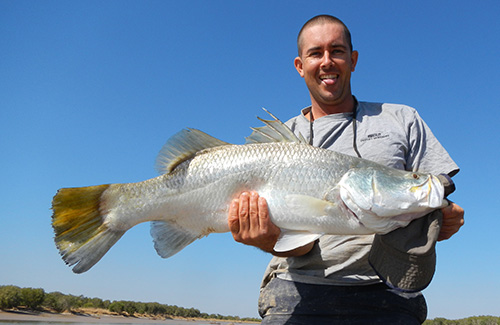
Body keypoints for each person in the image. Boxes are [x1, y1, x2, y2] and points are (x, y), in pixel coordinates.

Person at [228, 15, 465, 324]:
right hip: (296, 289)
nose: (327, 61)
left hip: (389, 291)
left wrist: (446, 215)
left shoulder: (401, 119)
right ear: (300, 66)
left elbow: (440, 187)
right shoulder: (282, 140)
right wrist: (266, 239)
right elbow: (297, 243)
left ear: (352, 60)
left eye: (337, 51)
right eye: (316, 53)